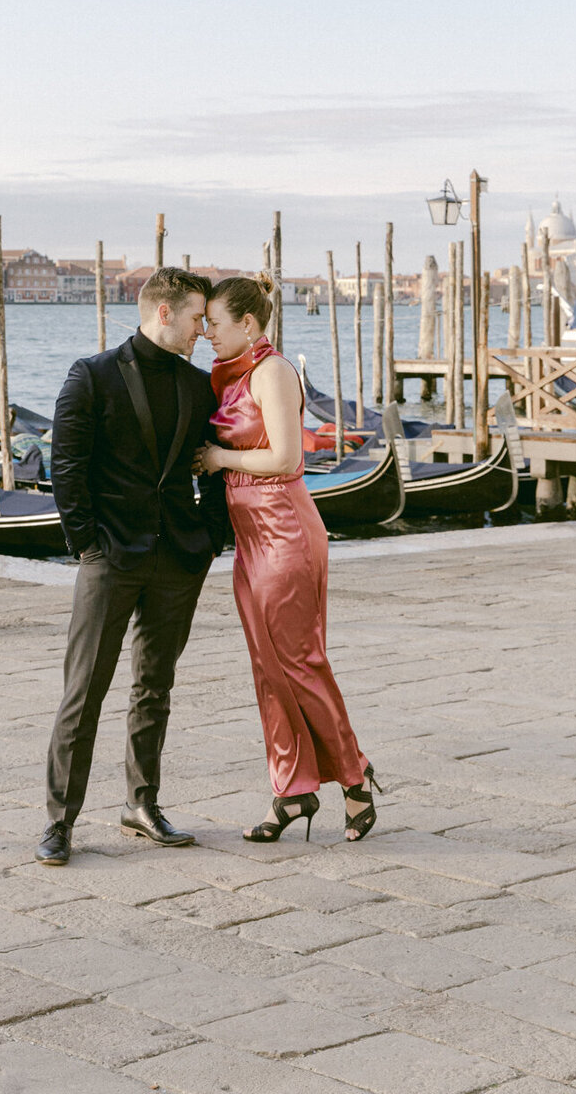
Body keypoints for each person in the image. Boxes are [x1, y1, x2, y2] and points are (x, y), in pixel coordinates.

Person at [37, 266, 227, 867]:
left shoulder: (200, 387)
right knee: (84, 691)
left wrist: (212, 537)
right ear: (164, 312)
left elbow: (212, 466)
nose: (204, 329)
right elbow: (66, 467)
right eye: (198, 317)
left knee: (155, 687)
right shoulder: (90, 376)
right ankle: (59, 821)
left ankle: (141, 804)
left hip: (178, 556)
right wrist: (86, 544)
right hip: (109, 556)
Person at [193, 274, 381, 843]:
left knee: (300, 663)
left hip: (284, 534)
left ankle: (354, 778)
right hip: (251, 541)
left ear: (247, 325)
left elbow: (285, 456)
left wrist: (219, 457)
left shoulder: (272, 372)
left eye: (215, 325)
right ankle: (292, 789)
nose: (206, 335)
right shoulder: (229, 377)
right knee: (267, 669)